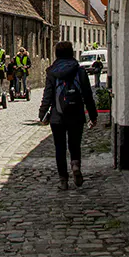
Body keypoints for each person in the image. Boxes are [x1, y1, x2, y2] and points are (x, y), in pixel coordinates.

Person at [38, 41, 98, 190]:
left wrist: (42, 115)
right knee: (75, 144)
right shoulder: (80, 71)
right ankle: (76, 166)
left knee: (59, 147)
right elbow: (87, 95)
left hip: (57, 116)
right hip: (76, 114)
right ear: (71, 53)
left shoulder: (52, 72)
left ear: (57, 54)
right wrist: (93, 115)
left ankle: (63, 180)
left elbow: (48, 95)